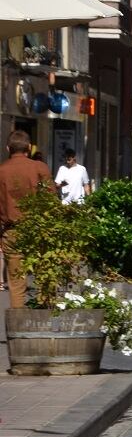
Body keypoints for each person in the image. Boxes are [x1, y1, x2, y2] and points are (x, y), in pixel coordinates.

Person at [0, 130, 52, 307]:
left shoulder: (1, 171)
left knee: (16, 283)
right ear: (29, 148)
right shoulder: (40, 168)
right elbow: (51, 201)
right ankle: (44, 322)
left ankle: (18, 327)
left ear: (8, 148)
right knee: (44, 278)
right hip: (39, 230)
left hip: (12, 231)